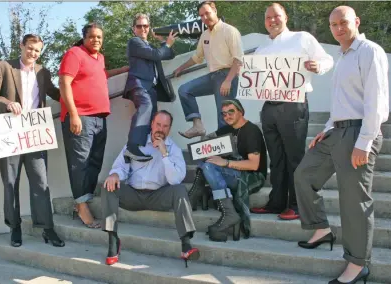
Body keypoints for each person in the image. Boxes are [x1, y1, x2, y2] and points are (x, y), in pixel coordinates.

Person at [294, 6, 389, 284]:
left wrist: (365, 142)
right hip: (337, 131)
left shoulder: (369, 51)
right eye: (333, 24)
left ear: (356, 22)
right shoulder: (342, 56)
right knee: (303, 175)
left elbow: (376, 101)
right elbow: (343, 103)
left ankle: (358, 264)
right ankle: (321, 228)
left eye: (343, 22)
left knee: (354, 202)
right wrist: (326, 129)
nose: (338, 28)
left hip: (359, 133)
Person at [250, 3, 334, 221]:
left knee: (294, 158)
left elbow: (328, 59)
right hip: (269, 107)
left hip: (293, 105)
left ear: (285, 17)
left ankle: (297, 205)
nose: (272, 21)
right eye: (268, 17)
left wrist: (318, 66)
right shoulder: (261, 49)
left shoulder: (302, 38)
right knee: (276, 159)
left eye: (276, 16)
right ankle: (276, 202)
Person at [0, 34, 64, 248]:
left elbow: (57, 94)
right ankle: (15, 227)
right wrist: (8, 103)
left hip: (35, 134)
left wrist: (80, 97)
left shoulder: (43, 72)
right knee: (11, 183)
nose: (33, 53)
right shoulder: (3, 67)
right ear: (22, 46)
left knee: (41, 182)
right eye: (30, 48)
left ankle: (47, 229)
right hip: (9, 134)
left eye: (37, 51)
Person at [101, 110, 199, 266]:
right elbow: (121, 166)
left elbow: (175, 180)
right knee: (108, 186)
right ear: (152, 124)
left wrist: (164, 153)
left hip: (158, 196)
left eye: (165, 126)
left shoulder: (173, 149)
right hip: (133, 194)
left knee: (180, 190)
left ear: (169, 129)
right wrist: (115, 175)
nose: (161, 129)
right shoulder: (135, 142)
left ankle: (185, 244)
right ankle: (113, 241)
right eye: (158, 124)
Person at [59, 23, 129, 229]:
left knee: (94, 161)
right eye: (92, 37)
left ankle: (83, 199)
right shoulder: (74, 53)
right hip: (81, 117)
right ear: (84, 37)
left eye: (99, 37)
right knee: (80, 162)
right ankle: (81, 206)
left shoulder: (99, 58)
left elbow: (101, 75)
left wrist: (124, 69)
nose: (96, 40)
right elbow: (64, 82)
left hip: (100, 118)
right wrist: (73, 114)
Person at [189, 99, 267, 241]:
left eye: (231, 112)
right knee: (206, 159)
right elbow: (206, 144)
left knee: (209, 165)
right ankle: (202, 193)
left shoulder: (252, 131)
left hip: (252, 176)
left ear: (241, 111)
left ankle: (203, 195)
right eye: (224, 114)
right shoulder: (226, 130)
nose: (227, 116)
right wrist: (203, 140)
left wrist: (225, 162)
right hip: (232, 172)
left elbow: (253, 165)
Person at [173, 1, 244, 139]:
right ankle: (197, 125)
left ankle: (230, 154)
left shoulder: (229, 30)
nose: (205, 17)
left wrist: (228, 81)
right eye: (201, 16)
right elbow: (197, 57)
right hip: (212, 77)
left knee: (224, 115)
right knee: (184, 90)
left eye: (207, 13)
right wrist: (180, 68)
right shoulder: (204, 35)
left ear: (215, 11)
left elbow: (238, 59)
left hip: (227, 76)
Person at [123, 13, 177, 162]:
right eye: (139, 26)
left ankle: (141, 150)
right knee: (145, 106)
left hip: (151, 89)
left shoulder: (150, 46)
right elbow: (156, 55)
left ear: (149, 27)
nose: (143, 29)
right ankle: (132, 147)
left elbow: (169, 54)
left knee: (153, 119)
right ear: (134, 29)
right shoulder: (134, 42)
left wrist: (162, 42)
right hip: (139, 85)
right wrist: (166, 45)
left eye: (145, 26)